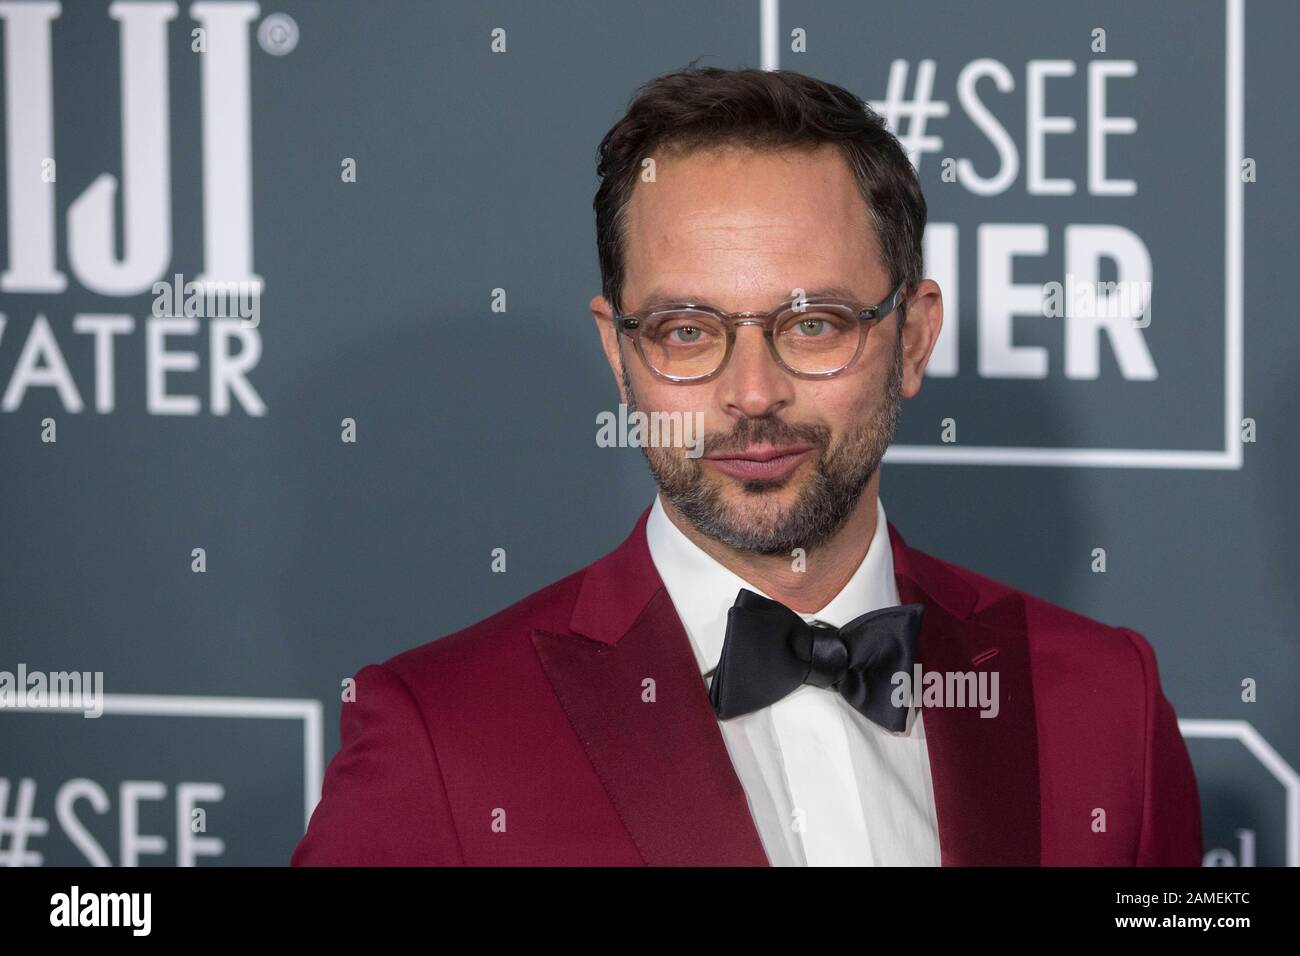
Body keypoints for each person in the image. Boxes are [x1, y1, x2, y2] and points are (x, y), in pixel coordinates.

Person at [291, 66, 1202, 866]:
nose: (752, 393)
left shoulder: (1104, 702)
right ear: (620, 354)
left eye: (813, 325)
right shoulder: (443, 738)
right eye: (688, 332)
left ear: (913, 339)